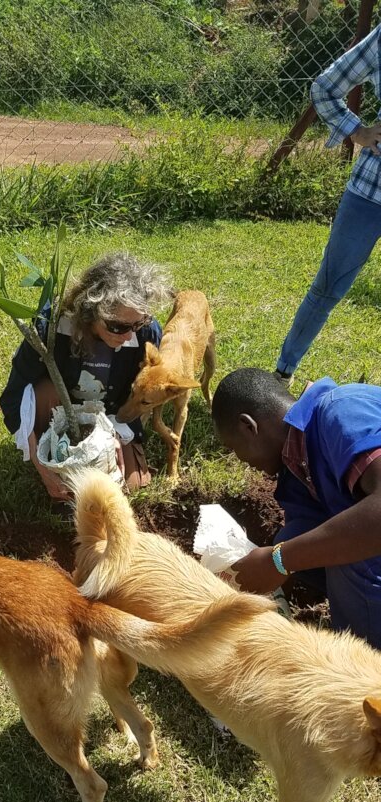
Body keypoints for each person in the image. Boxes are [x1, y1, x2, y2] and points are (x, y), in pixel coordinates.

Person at [211, 367, 381, 650]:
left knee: (348, 548)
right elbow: (300, 539)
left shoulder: (341, 411)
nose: (239, 459)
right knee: (294, 537)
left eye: (233, 448)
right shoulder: (296, 467)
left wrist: (279, 561)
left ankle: (365, 663)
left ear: (248, 426)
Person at [0, 252, 171, 500]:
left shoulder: (146, 334)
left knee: (126, 486)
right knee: (65, 490)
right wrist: (40, 463)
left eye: (137, 323)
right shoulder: (51, 327)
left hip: (110, 416)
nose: (127, 335)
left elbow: (136, 398)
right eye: (117, 326)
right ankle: (52, 450)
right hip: (58, 415)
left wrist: (113, 436)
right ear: (90, 311)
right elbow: (14, 397)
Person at [275, 24, 381, 383]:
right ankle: (283, 375)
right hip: (369, 192)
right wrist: (358, 131)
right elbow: (325, 87)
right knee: (327, 287)